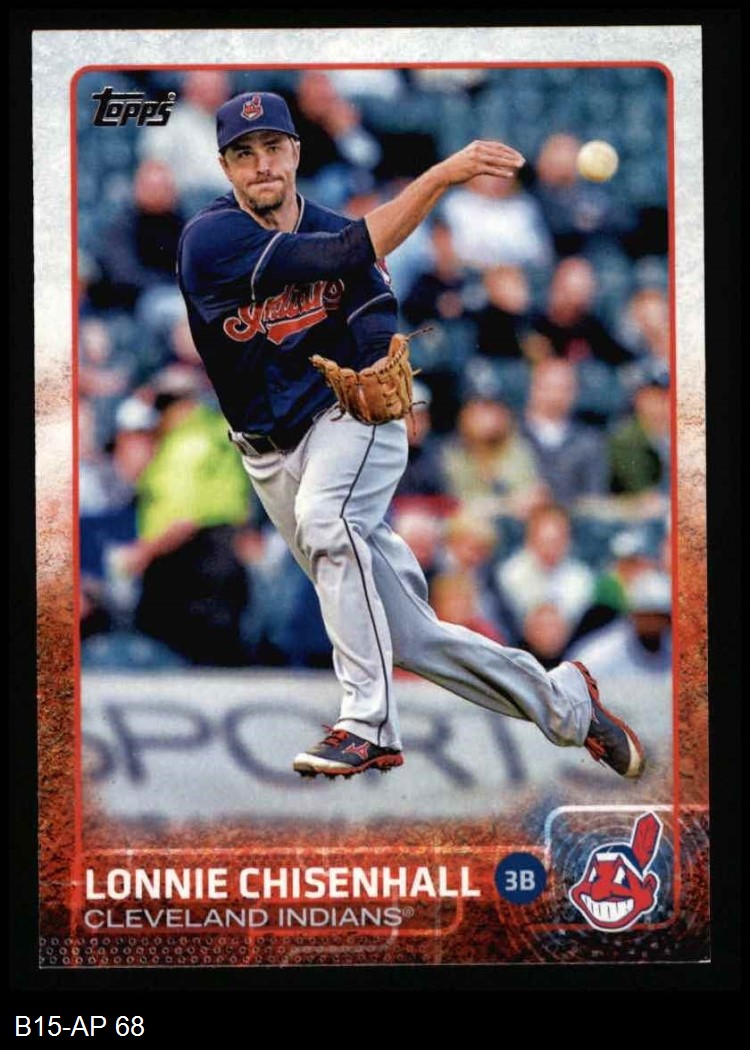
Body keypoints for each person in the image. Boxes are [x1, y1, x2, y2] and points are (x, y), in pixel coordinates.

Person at [176, 90, 645, 781]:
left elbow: (372, 307)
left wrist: (372, 359)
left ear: (295, 152)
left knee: (327, 521)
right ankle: (567, 705)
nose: (262, 164)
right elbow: (343, 252)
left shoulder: (335, 226)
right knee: (409, 636)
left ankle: (365, 725)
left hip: (350, 422)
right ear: (225, 167)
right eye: (244, 154)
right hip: (269, 457)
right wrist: (444, 175)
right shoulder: (211, 239)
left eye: (273, 147)